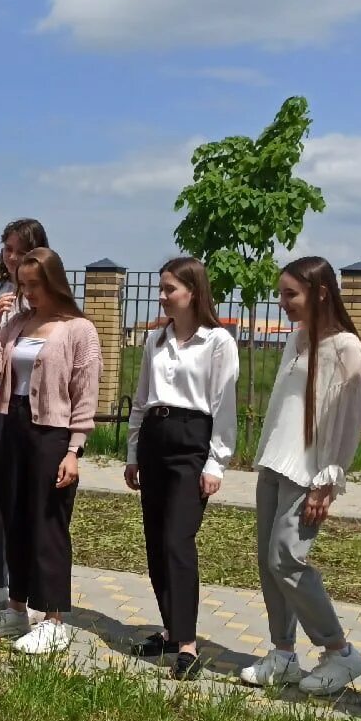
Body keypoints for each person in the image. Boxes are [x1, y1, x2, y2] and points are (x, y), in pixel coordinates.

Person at [239, 256, 361, 694]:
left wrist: (326, 481)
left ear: (320, 292)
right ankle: (284, 654)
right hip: (275, 463)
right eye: (281, 294)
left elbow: (350, 421)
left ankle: (340, 653)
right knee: (268, 563)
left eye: (290, 294)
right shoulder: (297, 339)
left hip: (309, 472)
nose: (282, 303)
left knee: (286, 558)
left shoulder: (346, 346)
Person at [0, 247, 102, 654]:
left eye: (35, 285)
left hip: (52, 433)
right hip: (12, 423)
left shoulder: (78, 328)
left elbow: (86, 394)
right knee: (14, 517)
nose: (28, 293)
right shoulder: (17, 323)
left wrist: (74, 450)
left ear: (54, 282)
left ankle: (54, 619)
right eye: (23, 285)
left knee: (48, 523)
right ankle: (16, 610)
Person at [125, 257, 240, 680]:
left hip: (192, 442)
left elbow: (223, 406)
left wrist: (216, 461)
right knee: (156, 541)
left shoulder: (217, 342)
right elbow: (141, 400)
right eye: (160, 288)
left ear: (192, 291)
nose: (161, 296)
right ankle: (171, 630)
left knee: (178, 540)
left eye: (169, 288)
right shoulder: (155, 341)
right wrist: (133, 453)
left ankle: (188, 645)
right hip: (155, 439)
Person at [0, 218, 49, 613]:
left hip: (31, 407)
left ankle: (29, 588)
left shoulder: (44, 300)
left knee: (27, 497)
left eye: (19, 249)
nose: (11, 257)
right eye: (6, 248)